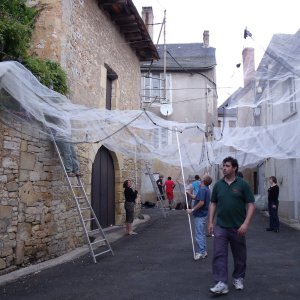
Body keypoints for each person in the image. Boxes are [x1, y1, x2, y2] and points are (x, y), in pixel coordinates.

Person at [208, 156, 255, 295]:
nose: (224, 168)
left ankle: (238, 277)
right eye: (223, 165)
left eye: (227, 166)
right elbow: (213, 203)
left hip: (238, 227)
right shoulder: (218, 185)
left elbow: (251, 205)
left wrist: (246, 223)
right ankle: (221, 282)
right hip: (221, 226)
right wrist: (210, 221)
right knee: (219, 254)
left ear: (234, 168)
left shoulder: (242, 184)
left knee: (240, 255)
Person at [186, 175, 212, 260]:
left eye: (201, 180)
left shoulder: (202, 190)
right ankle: (203, 251)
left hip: (200, 215)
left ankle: (200, 252)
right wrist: (189, 194)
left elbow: (201, 202)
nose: (200, 181)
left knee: (199, 234)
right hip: (203, 214)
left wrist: (192, 210)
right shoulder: (207, 189)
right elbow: (196, 198)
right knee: (202, 234)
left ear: (203, 182)